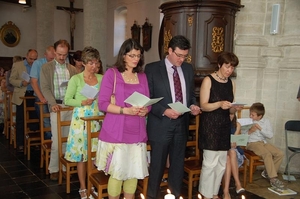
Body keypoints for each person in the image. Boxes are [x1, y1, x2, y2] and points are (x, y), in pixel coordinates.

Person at [145, 35, 201, 199]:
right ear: (169, 50)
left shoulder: (188, 69)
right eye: (179, 55)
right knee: (157, 166)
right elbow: (148, 99)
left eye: (185, 56)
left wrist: (193, 106)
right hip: (161, 124)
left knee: (177, 165)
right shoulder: (152, 68)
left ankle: (175, 196)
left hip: (181, 124)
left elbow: (190, 95)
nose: (181, 59)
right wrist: (164, 110)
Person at [95, 39, 150, 199]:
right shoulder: (112, 74)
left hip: (137, 130)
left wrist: (145, 109)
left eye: (138, 56)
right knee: (117, 174)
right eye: (132, 55)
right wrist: (125, 110)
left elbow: (147, 102)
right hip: (116, 131)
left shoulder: (142, 76)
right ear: (123, 55)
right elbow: (103, 104)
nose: (135, 59)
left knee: (132, 174)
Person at [198, 52, 241, 199]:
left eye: (232, 68)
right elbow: (203, 106)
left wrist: (235, 108)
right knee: (210, 164)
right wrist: (219, 104)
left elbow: (230, 109)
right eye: (227, 66)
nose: (229, 70)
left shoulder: (231, 83)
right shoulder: (208, 80)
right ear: (219, 65)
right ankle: (205, 194)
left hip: (223, 126)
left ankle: (214, 193)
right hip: (210, 126)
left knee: (221, 164)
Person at [64, 46, 103, 199]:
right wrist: (82, 101)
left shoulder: (101, 78)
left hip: (96, 118)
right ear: (85, 63)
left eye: (96, 63)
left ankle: (92, 184)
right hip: (80, 120)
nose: (94, 67)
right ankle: (82, 186)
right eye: (91, 63)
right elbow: (67, 100)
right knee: (81, 156)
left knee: (93, 155)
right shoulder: (76, 79)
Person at [40, 39, 77, 181]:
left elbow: (75, 89)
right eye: (59, 54)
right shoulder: (46, 68)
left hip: (69, 106)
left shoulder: (72, 69)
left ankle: (64, 167)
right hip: (56, 106)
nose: (62, 57)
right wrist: (52, 103)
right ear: (54, 52)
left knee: (68, 138)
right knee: (56, 140)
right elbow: (45, 87)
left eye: (65, 55)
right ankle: (54, 168)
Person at [246, 102, 284, 189]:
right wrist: (250, 131)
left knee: (280, 153)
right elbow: (242, 138)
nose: (251, 116)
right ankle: (273, 178)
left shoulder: (266, 122)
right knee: (267, 154)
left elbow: (270, 135)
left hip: (263, 142)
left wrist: (260, 128)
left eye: (253, 115)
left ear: (260, 116)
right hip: (252, 143)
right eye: (250, 114)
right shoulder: (248, 122)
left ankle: (267, 172)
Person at [9, 49, 39, 152]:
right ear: (26, 56)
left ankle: (34, 141)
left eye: (35, 59)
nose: (32, 61)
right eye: (31, 58)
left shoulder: (37, 65)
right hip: (22, 95)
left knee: (35, 118)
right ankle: (20, 143)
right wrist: (22, 83)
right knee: (21, 119)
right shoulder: (18, 65)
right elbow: (11, 80)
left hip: (34, 94)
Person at [30, 46, 55, 140]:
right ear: (45, 55)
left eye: (53, 58)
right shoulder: (38, 64)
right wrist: (41, 98)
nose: (52, 60)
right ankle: (48, 144)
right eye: (50, 58)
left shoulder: (57, 64)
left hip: (53, 97)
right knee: (46, 123)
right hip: (41, 97)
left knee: (55, 122)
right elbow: (33, 81)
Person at [222, 109, 245, 199]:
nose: (231, 117)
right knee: (228, 157)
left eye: (232, 115)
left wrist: (234, 143)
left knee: (232, 152)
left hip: (235, 153)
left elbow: (235, 140)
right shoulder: (221, 125)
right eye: (229, 115)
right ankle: (235, 185)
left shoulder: (237, 125)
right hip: (224, 150)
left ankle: (227, 191)